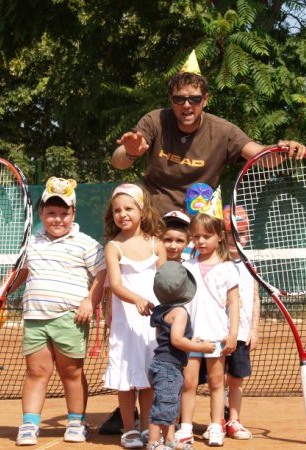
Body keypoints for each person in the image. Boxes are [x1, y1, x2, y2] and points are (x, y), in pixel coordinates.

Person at [0, 177, 107, 446]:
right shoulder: (31, 243)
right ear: (41, 214)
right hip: (34, 317)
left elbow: (102, 275)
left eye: (63, 213)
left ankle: (76, 422)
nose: (57, 219)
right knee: (36, 371)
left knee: (71, 372)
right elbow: (19, 273)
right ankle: (29, 424)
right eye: (51, 213)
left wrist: (89, 302)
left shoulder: (87, 244)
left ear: (73, 214)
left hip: (70, 317)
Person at [111, 49, 306, 215]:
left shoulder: (223, 131)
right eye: (180, 99)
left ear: (205, 100)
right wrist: (131, 152)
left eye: (195, 99)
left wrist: (283, 150)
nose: (187, 105)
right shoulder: (155, 120)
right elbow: (117, 162)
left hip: (199, 227)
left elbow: (261, 157)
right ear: (171, 99)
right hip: (153, 220)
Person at [102, 183, 167, 449]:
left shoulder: (157, 244)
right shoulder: (113, 247)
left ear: (142, 210)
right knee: (126, 380)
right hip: (125, 324)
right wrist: (138, 299)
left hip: (152, 325)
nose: (122, 214)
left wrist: (168, 312)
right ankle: (129, 429)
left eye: (129, 208)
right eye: (117, 210)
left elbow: (164, 283)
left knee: (149, 379)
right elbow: (116, 285)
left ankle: (147, 429)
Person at [174, 211, 240, 447]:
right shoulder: (186, 266)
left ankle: (216, 427)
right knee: (188, 383)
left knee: (216, 383)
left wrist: (233, 334)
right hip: (191, 338)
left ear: (219, 236)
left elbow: (234, 304)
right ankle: (185, 428)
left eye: (206, 236)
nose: (201, 241)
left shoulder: (228, 268)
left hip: (217, 337)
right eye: (196, 236)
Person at [146, 261, 216, 450]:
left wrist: (191, 340)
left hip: (161, 366)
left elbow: (166, 338)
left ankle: (169, 440)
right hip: (168, 369)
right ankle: (153, 443)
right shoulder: (180, 312)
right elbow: (176, 340)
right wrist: (201, 347)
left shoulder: (161, 310)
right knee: (163, 406)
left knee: (168, 405)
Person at [222, 205, 261, 440]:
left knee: (236, 380)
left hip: (241, 335)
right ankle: (217, 420)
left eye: (241, 233)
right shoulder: (215, 263)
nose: (234, 239)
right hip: (217, 333)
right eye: (229, 233)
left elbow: (255, 298)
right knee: (216, 380)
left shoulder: (250, 264)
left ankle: (234, 420)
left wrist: (253, 331)